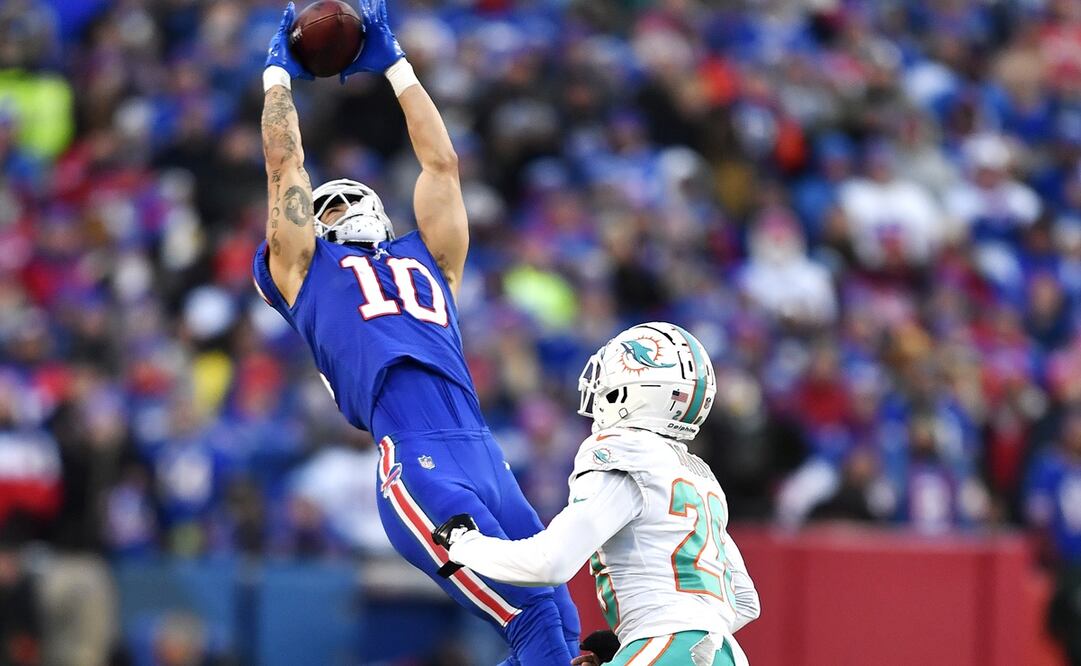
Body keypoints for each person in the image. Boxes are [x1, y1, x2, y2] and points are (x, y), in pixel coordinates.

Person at [252, 2, 579, 662]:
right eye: (325, 207)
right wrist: (278, 79)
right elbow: (286, 170)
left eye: (347, 198)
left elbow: (442, 166)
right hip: (420, 463)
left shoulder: (428, 256)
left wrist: (397, 65)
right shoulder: (307, 269)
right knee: (535, 621)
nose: (335, 209)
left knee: (564, 621)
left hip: (484, 454)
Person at [433, 323, 760, 665]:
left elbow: (550, 561)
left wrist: (465, 543)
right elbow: (746, 602)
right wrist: (631, 643)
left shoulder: (625, 450)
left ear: (635, 389)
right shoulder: (698, 473)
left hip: (669, 647)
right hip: (724, 653)